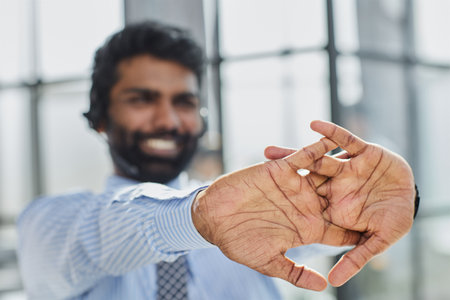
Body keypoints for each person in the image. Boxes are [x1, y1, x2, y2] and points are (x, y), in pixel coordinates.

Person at [17, 21, 418, 300]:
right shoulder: (50, 223)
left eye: (185, 102)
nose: (167, 120)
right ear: (101, 117)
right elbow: (104, 234)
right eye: (141, 99)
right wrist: (195, 218)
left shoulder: (263, 211)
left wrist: (383, 200)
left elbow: (331, 219)